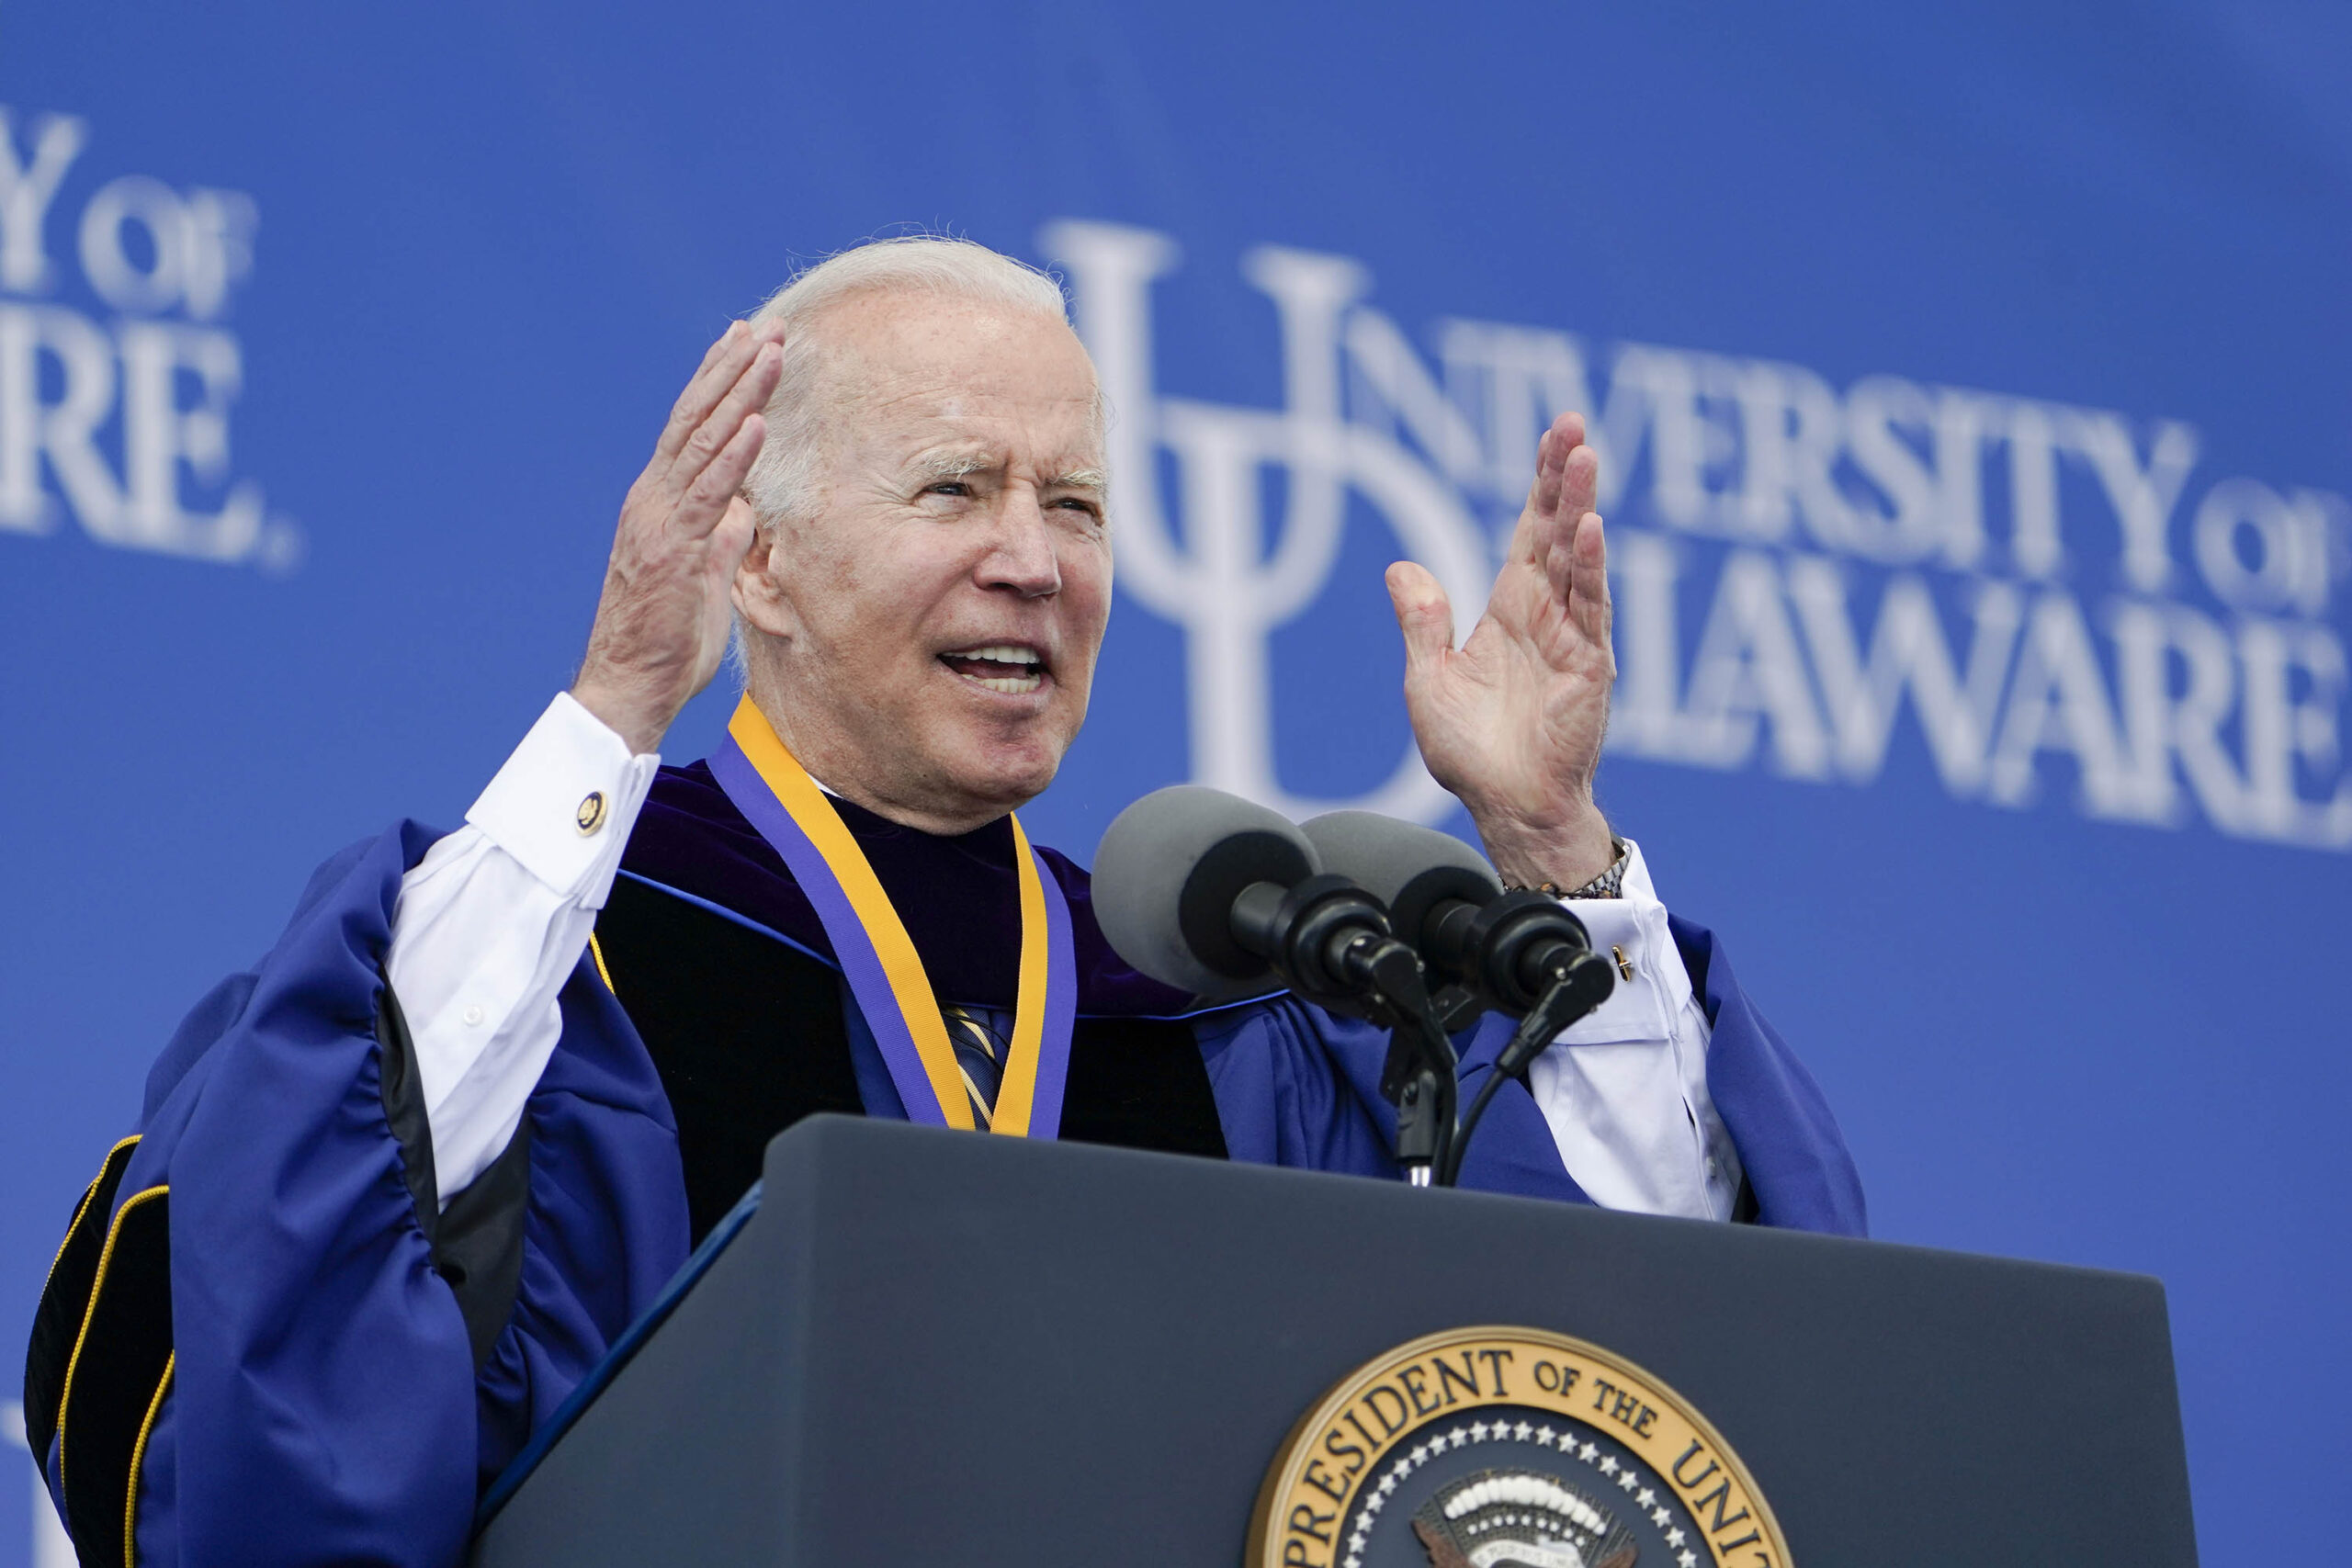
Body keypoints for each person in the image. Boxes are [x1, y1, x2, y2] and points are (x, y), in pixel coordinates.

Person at [25, 237, 1862, 1567]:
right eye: (952, 486)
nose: (1031, 556)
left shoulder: (1225, 1006)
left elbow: (1641, 1340)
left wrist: (1548, 846)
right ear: (755, 554)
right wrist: (606, 708)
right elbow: (289, 1354)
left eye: (1073, 499)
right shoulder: (550, 944)